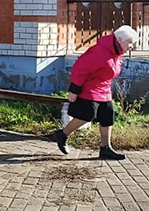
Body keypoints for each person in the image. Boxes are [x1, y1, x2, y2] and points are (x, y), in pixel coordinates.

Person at [51, 25, 138, 161]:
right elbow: (80, 68)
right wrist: (74, 90)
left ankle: (106, 148)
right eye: (130, 42)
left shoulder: (117, 52)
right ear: (120, 40)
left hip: (104, 89)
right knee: (87, 114)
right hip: (89, 88)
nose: (132, 46)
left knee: (107, 115)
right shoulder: (100, 52)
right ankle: (62, 134)